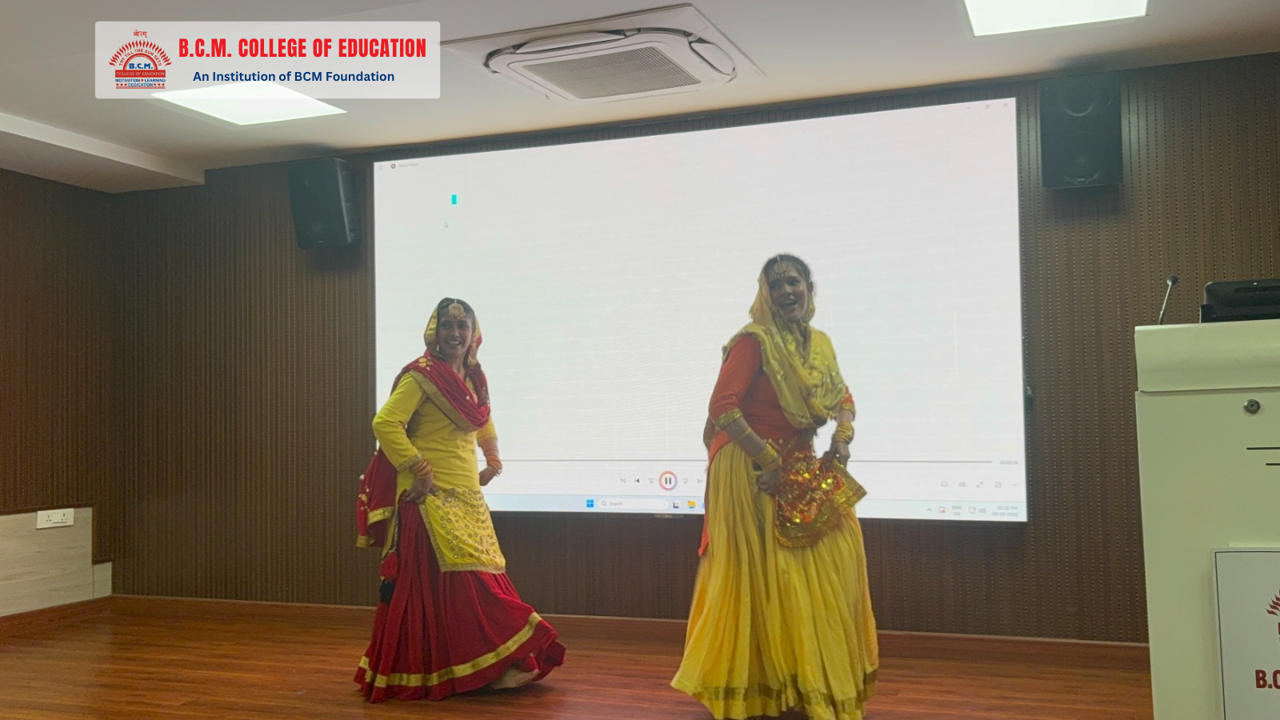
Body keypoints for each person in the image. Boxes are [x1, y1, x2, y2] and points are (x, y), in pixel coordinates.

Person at [672, 255, 878, 720]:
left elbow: (843, 396)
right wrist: (768, 460)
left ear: (809, 288)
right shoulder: (753, 341)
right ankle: (761, 686)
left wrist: (842, 438)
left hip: (797, 460)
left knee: (834, 556)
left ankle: (809, 680)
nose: (786, 291)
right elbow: (723, 407)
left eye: (794, 282)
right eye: (776, 285)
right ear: (764, 294)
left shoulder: (818, 345)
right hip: (748, 464)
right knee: (768, 574)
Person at [354, 297, 565, 703]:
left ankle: (489, 668)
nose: (454, 333)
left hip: (467, 495)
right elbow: (385, 422)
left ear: (473, 333)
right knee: (465, 588)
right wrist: (419, 468)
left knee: (477, 580)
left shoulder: (474, 378)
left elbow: (483, 419)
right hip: (428, 498)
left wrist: (493, 459)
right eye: (447, 326)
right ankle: (482, 668)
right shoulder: (421, 376)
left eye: (462, 326)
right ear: (434, 331)